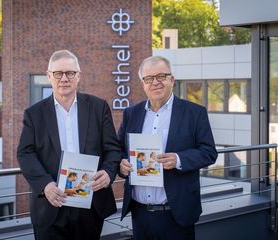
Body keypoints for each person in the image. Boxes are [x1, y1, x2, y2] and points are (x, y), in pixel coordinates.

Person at [17, 49, 121, 240]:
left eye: (70, 73)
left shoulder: (98, 107)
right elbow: (25, 153)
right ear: (49, 76)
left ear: (78, 76)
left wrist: (108, 172)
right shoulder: (34, 114)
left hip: (90, 205)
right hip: (51, 204)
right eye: (58, 73)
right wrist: (45, 185)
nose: (64, 78)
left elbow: (113, 149)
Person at [118, 56, 218, 240]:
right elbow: (119, 151)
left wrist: (179, 160)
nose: (155, 82)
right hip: (140, 215)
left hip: (177, 215)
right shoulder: (131, 113)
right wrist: (121, 165)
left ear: (171, 80)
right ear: (143, 83)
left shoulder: (195, 113)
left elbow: (209, 153)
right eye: (149, 78)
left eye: (161, 76)